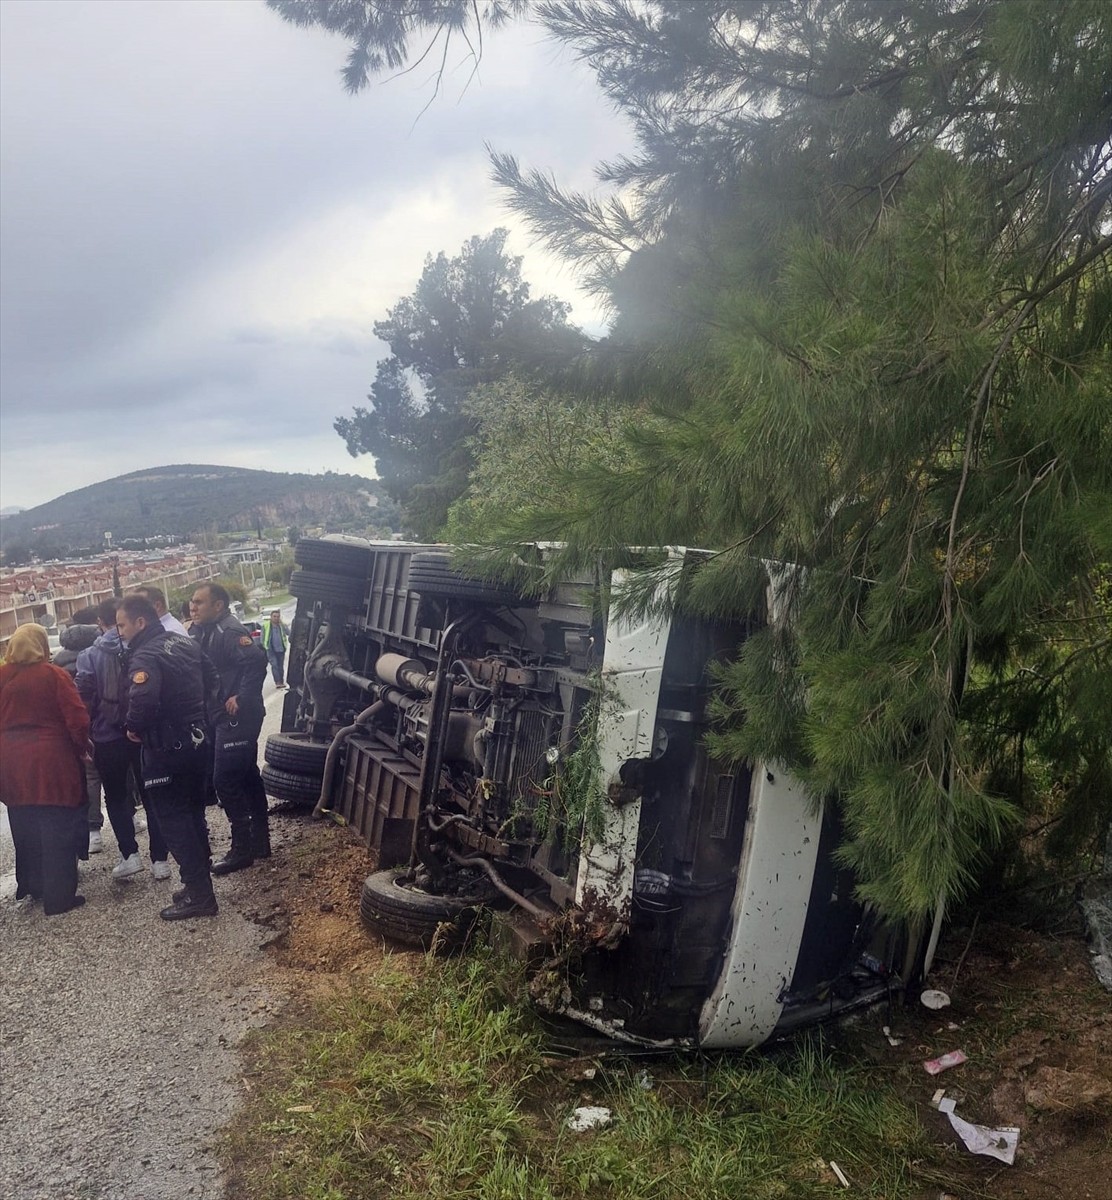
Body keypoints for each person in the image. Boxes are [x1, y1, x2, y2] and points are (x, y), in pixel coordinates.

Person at [116, 595, 219, 920]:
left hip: (165, 747)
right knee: (192, 816)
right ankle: (198, 886)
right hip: (197, 741)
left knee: (174, 820)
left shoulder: (144, 653)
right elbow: (212, 677)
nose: (120, 632)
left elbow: (143, 698)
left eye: (122, 625)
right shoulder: (182, 641)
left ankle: (200, 896)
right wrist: (196, 714)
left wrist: (134, 726)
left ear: (140, 622)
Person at [76, 598, 171, 881]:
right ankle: (160, 860)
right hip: (142, 732)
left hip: (107, 736)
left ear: (100, 623)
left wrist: (86, 734)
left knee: (116, 796)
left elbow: (84, 699)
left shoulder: (89, 655)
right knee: (152, 792)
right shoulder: (139, 646)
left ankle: (130, 855)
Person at [0, 624, 91, 915]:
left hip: (10, 759)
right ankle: (59, 896)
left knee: (23, 822)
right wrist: (81, 747)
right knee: (56, 825)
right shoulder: (53, 675)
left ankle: (32, 884)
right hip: (50, 758)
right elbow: (77, 717)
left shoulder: (2, 676)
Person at [189, 583, 269, 874]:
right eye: (192, 602)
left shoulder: (229, 631)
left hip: (237, 716)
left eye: (199, 602)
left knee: (224, 781)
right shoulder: (203, 630)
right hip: (218, 715)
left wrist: (242, 696)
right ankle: (260, 843)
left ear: (218, 605)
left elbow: (257, 661)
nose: (193, 607)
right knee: (247, 777)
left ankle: (242, 849)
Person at [56, 608, 107, 853]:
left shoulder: (57, 663)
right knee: (120, 775)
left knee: (90, 777)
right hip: (104, 721)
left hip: (78, 726)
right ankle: (129, 817)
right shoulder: (101, 654)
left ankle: (93, 830)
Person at [261, 609, 289, 688]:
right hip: (271, 650)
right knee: (275, 665)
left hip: (281, 649)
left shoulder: (281, 625)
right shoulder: (266, 625)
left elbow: (289, 633)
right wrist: (265, 646)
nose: (276, 618)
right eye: (274, 616)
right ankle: (278, 682)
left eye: (278, 616)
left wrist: (283, 625)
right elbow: (262, 638)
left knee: (280, 666)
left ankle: (282, 681)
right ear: (271, 617)